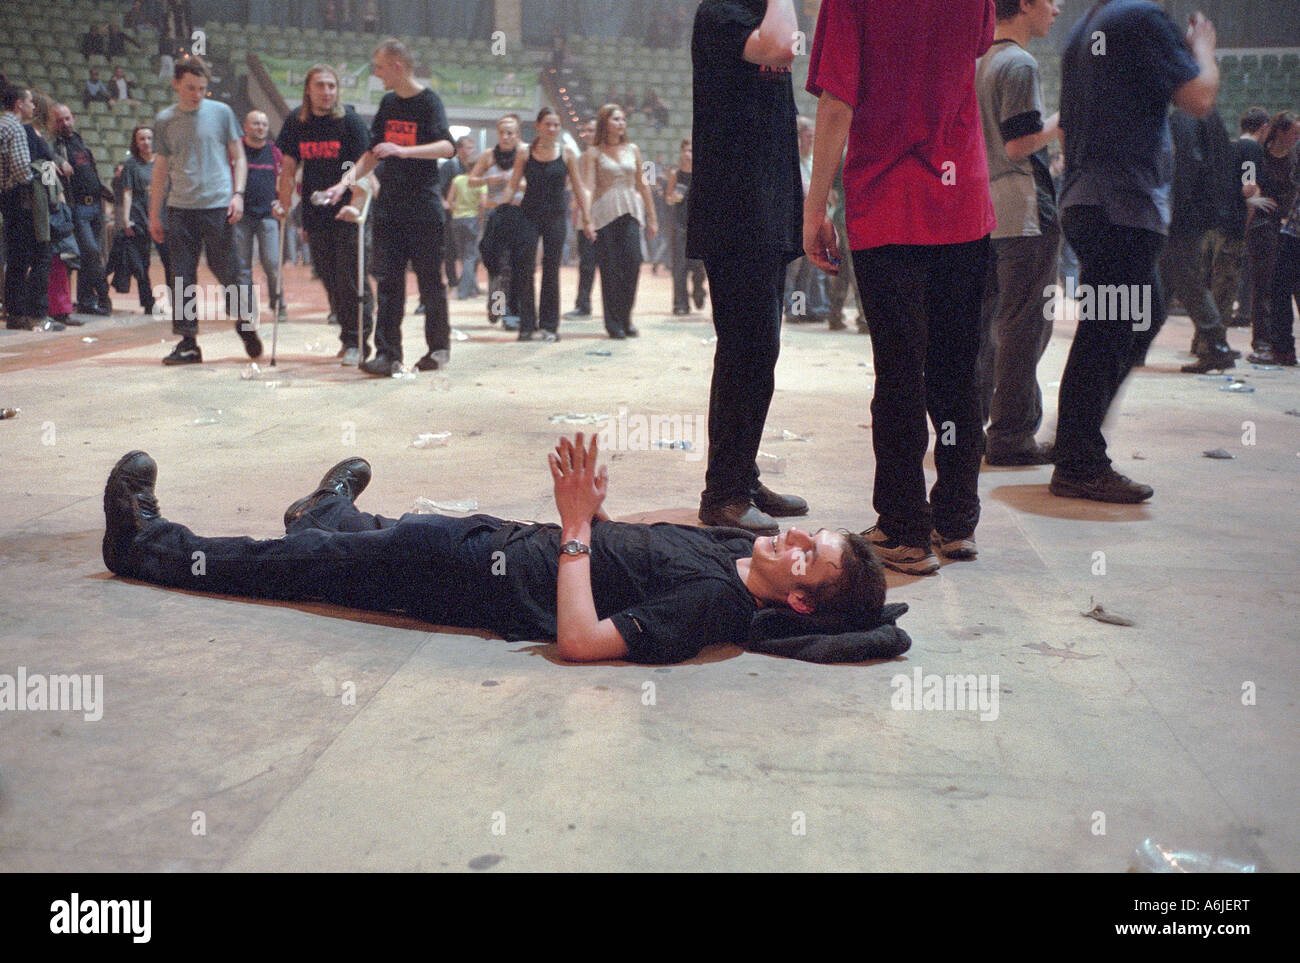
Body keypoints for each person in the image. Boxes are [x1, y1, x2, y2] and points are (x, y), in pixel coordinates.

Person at [100, 434, 887, 665]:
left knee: (292, 569)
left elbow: (579, 641)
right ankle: (328, 512)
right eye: (803, 532)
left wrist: (578, 527)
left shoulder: (714, 605)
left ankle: (147, 546)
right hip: (498, 542)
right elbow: (658, 527)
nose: (786, 537)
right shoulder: (735, 552)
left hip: (475, 582)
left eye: (803, 554)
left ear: (799, 600)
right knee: (390, 534)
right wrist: (604, 515)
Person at [803, 0, 994, 572]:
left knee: (900, 371)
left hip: (889, 203)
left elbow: (838, 103)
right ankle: (956, 523)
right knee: (958, 370)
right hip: (962, 199)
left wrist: (816, 206)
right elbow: (973, 51)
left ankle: (905, 529)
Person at [1046, 0, 1218, 503]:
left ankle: (1075, 438)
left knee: (1140, 315)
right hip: (1119, 205)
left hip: (1095, 200)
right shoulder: (1139, 16)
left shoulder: (1088, 25)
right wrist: (1204, 50)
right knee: (1109, 327)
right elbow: (1199, 97)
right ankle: (1078, 460)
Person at [688, 0, 808, 536]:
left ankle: (742, 474)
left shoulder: (757, 18)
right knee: (746, 346)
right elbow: (782, 46)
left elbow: (788, 51)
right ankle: (724, 495)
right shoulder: (721, 12)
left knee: (761, 347)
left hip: (767, 205)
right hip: (735, 207)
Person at [320, 39, 454, 376]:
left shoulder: (428, 102)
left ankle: (437, 349)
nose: (375, 73)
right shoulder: (388, 103)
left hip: (423, 206)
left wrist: (405, 151)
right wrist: (342, 185)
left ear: (396, 66)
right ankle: (388, 354)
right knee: (389, 281)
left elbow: (448, 148)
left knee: (429, 281)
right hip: (390, 207)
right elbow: (371, 154)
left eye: (379, 66)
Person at [974, 0, 1062, 466]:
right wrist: (1061, 125)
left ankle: (985, 428)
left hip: (984, 211)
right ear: (1025, 4)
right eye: (1050, 0)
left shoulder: (977, 60)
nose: (1058, 8)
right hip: (1022, 208)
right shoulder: (1018, 63)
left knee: (992, 326)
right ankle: (1010, 435)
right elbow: (1019, 143)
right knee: (1025, 327)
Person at [150, 55, 254, 365]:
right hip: (180, 208)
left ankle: (245, 319)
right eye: (191, 87)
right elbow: (160, 170)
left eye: (203, 88)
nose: (197, 94)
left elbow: (240, 157)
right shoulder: (164, 120)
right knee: (180, 276)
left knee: (228, 269)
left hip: (218, 205)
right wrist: (155, 213)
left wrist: (238, 194)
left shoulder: (222, 113)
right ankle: (188, 341)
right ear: (176, 84)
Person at [276, 63, 375, 366]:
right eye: (320, 85)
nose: (327, 92)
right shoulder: (296, 122)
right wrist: (283, 203)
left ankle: (358, 339)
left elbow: (365, 168)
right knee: (330, 278)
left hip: (347, 210)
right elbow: (289, 169)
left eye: (331, 86)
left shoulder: (350, 122)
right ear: (308, 89)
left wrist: (356, 207)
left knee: (351, 277)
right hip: (315, 212)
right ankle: (347, 334)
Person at [506, 106, 594, 341]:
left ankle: (549, 326)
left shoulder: (566, 153)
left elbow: (578, 186)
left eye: (556, 125)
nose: (553, 129)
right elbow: (513, 184)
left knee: (551, 269)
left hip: (556, 216)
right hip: (528, 214)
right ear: (538, 126)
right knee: (525, 268)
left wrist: (587, 218)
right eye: (548, 124)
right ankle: (526, 325)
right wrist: (502, 210)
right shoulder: (524, 152)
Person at [583, 104, 656, 339]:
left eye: (623, 119)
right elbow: (590, 187)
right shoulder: (594, 152)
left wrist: (652, 217)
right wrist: (586, 218)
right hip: (605, 215)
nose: (621, 123)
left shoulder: (633, 149)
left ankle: (626, 316)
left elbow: (643, 184)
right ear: (605, 122)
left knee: (633, 264)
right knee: (610, 271)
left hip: (631, 212)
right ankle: (613, 322)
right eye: (616, 119)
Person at [1243, 112, 1299, 365]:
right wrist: (1252, 199)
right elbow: (1245, 181)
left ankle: (1281, 345)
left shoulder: (1295, 157)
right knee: (1264, 285)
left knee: (1285, 287)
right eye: (1294, 132)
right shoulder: (1258, 154)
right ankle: (1264, 341)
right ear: (1278, 131)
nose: (1297, 137)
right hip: (1265, 224)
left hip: (1290, 226)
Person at [51, 103, 114, 317]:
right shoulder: (54, 144)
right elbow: (47, 155)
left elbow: (92, 171)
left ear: (73, 117)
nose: (64, 123)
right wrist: (59, 160)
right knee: (91, 252)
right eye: (60, 120)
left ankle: (87, 301)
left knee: (93, 257)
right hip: (76, 207)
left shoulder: (80, 140)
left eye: (67, 118)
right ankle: (104, 296)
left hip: (96, 204)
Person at [2, 84, 54, 331]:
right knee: (24, 257)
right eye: (30, 101)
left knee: (17, 257)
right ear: (19, 104)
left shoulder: (4, 124)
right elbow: (23, 168)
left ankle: (15, 312)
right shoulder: (16, 128)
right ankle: (22, 313)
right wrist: (40, 185)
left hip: (8, 197)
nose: (33, 106)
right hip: (19, 198)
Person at [468, 114, 524, 330]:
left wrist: (517, 184)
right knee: (496, 266)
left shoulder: (524, 154)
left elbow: (537, 184)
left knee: (516, 267)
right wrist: (486, 180)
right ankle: (497, 305)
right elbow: (472, 180)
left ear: (518, 134)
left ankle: (510, 312)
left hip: (519, 215)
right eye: (502, 132)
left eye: (510, 133)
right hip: (495, 216)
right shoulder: (488, 155)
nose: (506, 136)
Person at [233, 110, 285, 326]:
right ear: (245, 126)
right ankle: (247, 310)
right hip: (241, 217)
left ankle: (278, 303)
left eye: (263, 124)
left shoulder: (274, 152)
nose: (260, 127)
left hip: (268, 216)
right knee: (242, 266)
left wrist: (281, 200)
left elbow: (284, 179)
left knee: (272, 263)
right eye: (255, 123)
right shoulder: (237, 151)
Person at [118, 124, 171, 315]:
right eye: (142, 139)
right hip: (139, 218)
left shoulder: (164, 162)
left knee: (170, 262)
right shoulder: (131, 165)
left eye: (149, 138)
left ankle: (177, 302)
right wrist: (126, 219)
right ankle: (149, 304)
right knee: (142, 264)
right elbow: (127, 194)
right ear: (136, 142)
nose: (146, 142)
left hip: (163, 219)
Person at [666, 137, 707, 315]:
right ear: (682, 152)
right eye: (687, 151)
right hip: (680, 224)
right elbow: (668, 199)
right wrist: (673, 197)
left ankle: (699, 290)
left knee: (699, 266)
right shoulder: (676, 174)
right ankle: (680, 304)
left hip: (700, 225)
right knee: (679, 266)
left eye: (693, 151)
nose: (689, 155)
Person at [566, 117, 599, 320]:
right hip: (585, 217)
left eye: (593, 129)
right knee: (586, 264)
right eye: (586, 130)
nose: (589, 133)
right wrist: (577, 212)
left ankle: (616, 310)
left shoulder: (603, 156)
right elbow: (578, 189)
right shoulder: (580, 158)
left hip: (604, 216)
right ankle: (583, 305)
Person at [445, 160, 485, 300]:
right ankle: (463, 291)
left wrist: (456, 210)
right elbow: (484, 203)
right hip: (472, 219)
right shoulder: (480, 183)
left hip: (456, 220)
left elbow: (449, 202)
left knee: (463, 256)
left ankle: (472, 289)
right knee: (470, 256)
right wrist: (480, 217)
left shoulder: (457, 180)